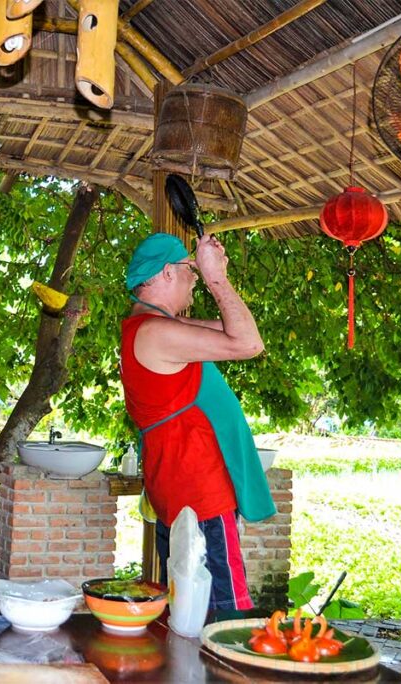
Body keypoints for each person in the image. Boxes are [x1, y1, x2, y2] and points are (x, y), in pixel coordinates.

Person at [120, 233, 276, 613]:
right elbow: (248, 345)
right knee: (222, 616)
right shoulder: (155, 333)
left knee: (191, 609)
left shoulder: (156, 327)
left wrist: (212, 274)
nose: (195, 278)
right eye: (190, 270)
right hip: (197, 495)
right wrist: (217, 279)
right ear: (166, 274)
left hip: (185, 492)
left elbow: (239, 331)